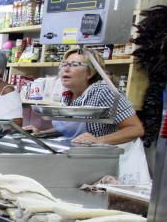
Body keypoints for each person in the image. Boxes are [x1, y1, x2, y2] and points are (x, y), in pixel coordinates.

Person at [50, 47, 148, 183]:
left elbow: (136, 129)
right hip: (81, 163)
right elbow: (73, 130)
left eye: (74, 65)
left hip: (106, 166)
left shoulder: (103, 91)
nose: (66, 69)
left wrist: (98, 140)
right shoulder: (67, 96)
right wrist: (41, 133)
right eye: (64, 64)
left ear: (89, 73)